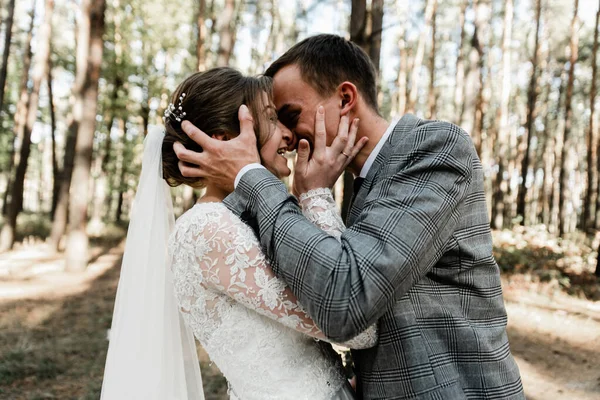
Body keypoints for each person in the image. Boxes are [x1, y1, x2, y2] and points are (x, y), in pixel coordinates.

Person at [173, 35, 525, 399]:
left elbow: (347, 300)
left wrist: (259, 179)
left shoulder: (432, 149)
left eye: (291, 116)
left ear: (345, 99)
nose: (289, 137)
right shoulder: (364, 185)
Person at [101, 67, 377, 400]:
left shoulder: (238, 219)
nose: (289, 135)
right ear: (224, 141)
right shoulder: (207, 231)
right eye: (273, 119)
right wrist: (315, 195)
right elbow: (355, 326)